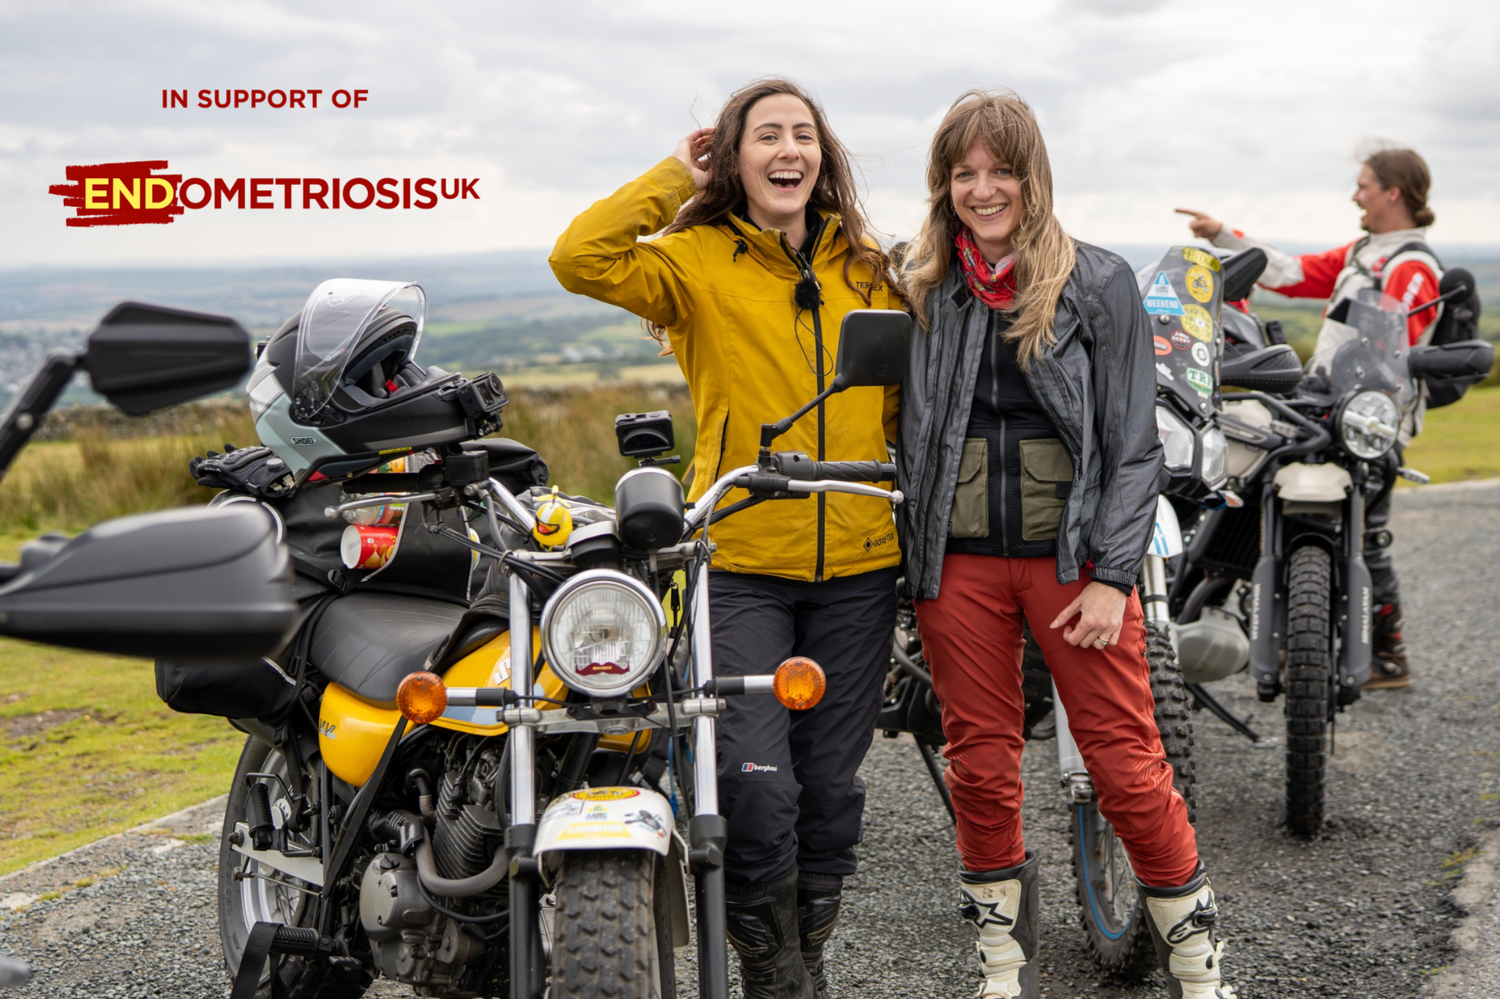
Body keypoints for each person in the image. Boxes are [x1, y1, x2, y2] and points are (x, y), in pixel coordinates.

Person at [550, 78, 902, 999]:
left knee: (830, 791)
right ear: (735, 158)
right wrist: (674, 173)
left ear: (824, 156)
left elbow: (905, 407)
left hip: (861, 569)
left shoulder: (872, 269)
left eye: (804, 135)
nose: (789, 150)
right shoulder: (693, 262)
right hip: (741, 564)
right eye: (766, 136)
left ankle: (806, 960)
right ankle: (774, 977)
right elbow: (578, 257)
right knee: (754, 787)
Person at [896, 90, 1237, 999]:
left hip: (1074, 565)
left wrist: (1111, 575)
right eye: (963, 173)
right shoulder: (922, 284)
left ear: (1032, 175)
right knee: (980, 766)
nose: (982, 188)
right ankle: (1001, 971)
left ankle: (1201, 971)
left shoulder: (1098, 281)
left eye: (1000, 169)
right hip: (956, 567)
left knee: (1127, 763)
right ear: (943, 185)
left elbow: (1134, 445)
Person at [1177, 146, 1441, 689]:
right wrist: (1225, 234)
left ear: (1392, 193)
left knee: (1365, 534)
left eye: (1364, 184)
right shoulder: (1366, 253)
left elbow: (1398, 341)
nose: (1356, 194)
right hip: (1324, 403)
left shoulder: (1411, 266)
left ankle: (1388, 655)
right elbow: (1292, 272)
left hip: (1365, 419)